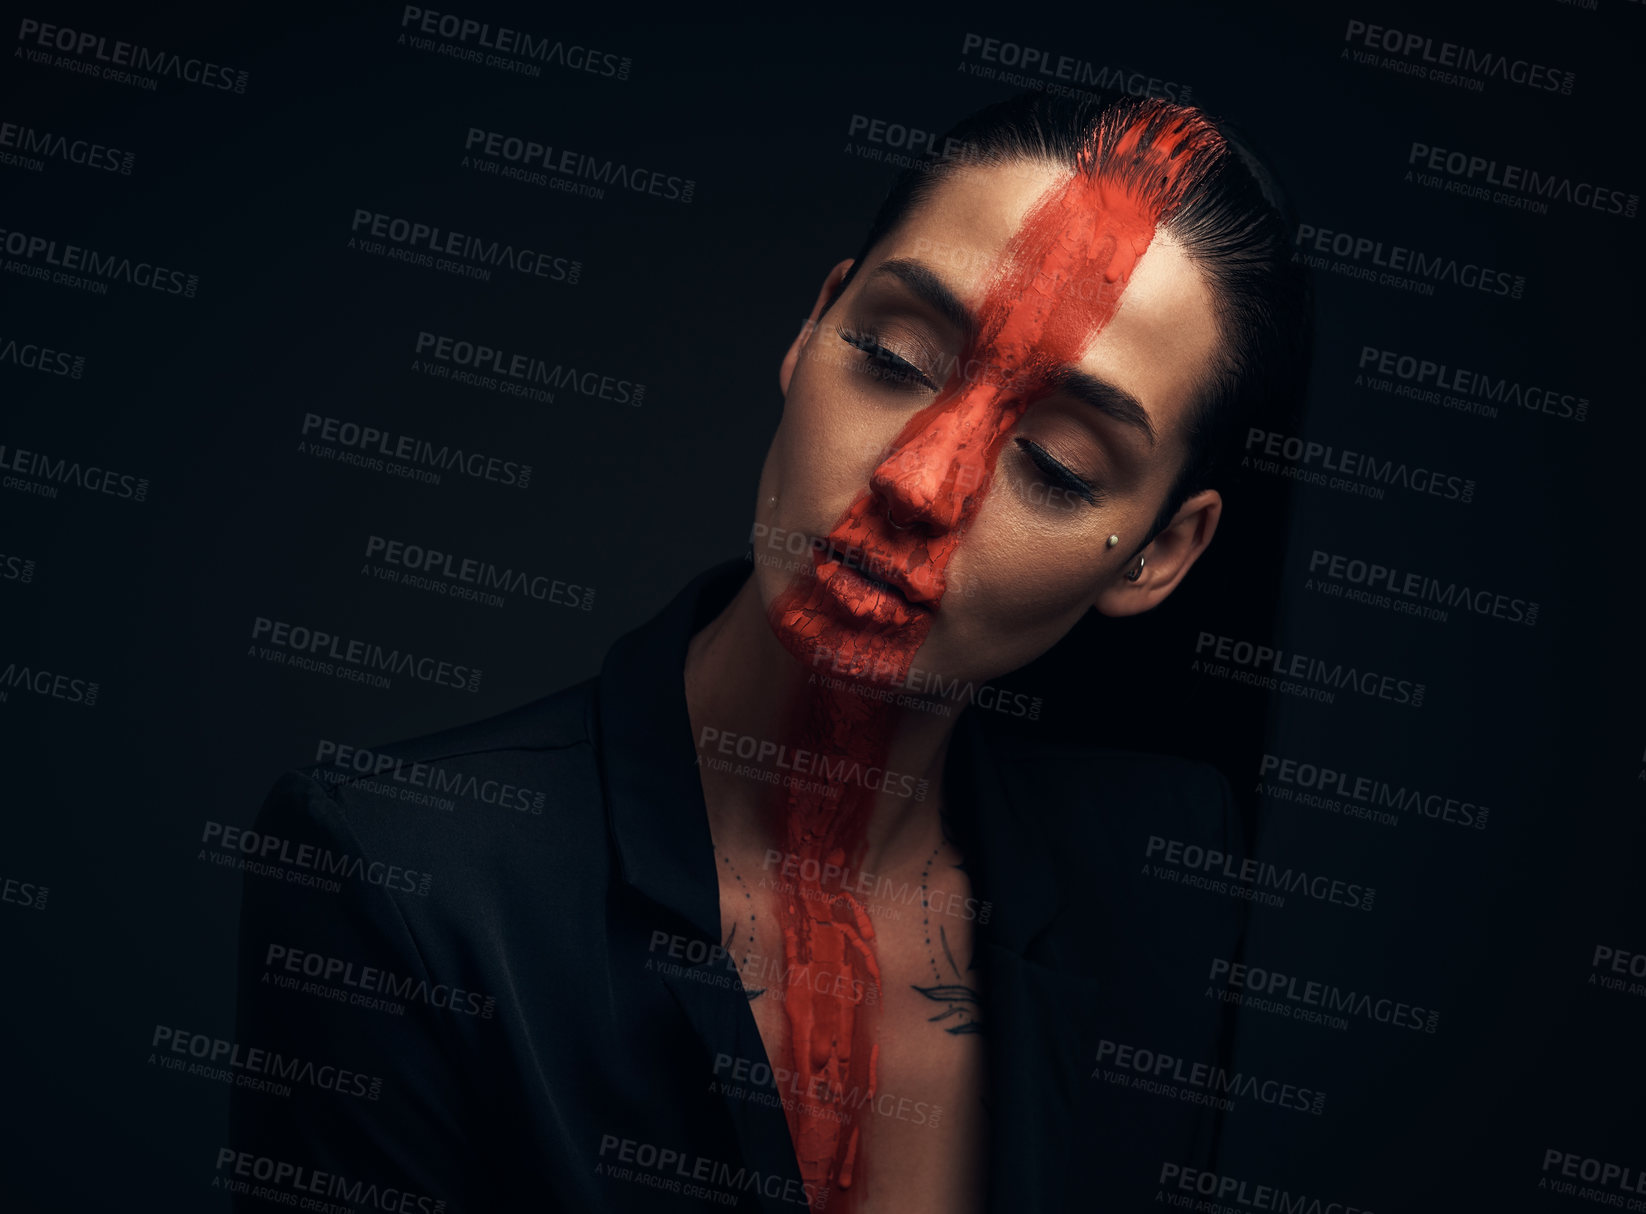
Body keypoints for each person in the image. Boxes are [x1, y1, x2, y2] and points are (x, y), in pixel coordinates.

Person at [227, 89, 1311, 1214]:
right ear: (811, 328)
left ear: (1158, 552)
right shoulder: (404, 882)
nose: (916, 481)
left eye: (1056, 462)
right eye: (893, 356)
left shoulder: (1159, 872)